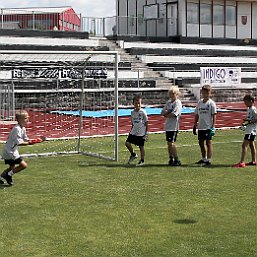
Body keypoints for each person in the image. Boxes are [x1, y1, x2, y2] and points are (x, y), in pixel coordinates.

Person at [0, 110, 43, 185]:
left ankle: (0, 178)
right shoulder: (17, 129)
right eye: (26, 118)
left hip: (10, 150)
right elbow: (19, 143)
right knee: (23, 165)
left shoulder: (23, 128)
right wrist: (31, 142)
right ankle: (8, 175)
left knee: (12, 167)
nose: (28, 120)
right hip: (10, 151)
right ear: (19, 120)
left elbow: (26, 139)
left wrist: (35, 140)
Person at [193, 85, 217, 166]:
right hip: (201, 127)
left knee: (208, 143)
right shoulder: (199, 103)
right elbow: (197, 114)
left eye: (206, 92)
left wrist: (213, 127)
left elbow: (214, 115)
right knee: (201, 143)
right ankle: (204, 158)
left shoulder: (211, 103)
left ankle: (209, 160)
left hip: (208, 127)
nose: (204, 94)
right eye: (203, 92)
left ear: (209, 93)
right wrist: (195, 124)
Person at [232, 94, 257, 168]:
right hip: (250, 129)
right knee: (251, 145)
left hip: (251, 130)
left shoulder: (253, 109)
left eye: (246, 102)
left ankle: (242, 162)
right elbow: (250, 118)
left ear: (251, 101)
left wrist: (249, 122)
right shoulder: (249, 109)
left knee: (244, 145)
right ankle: (253, 161)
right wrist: (246, 120)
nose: (245, 104)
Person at [161, 86, 182, 166]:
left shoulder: (178, 103)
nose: (172, 95)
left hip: (174, 126)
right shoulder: (168, 103)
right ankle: (171, 158)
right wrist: (166, 113)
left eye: (173, 93)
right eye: (170, 93)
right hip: (168, 126)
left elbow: (174, 114)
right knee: (169, 143)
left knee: (171, 143)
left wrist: (166, 114)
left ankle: (177, 159)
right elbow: (162, 112)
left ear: (177, 94)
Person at [125, 95, 148, 166]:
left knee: (141, 146)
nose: (137, 105)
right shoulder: (132, 112)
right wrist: (131, 130)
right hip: (134, 131)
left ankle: (142, 160)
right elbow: (133, 123)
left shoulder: (143, 112)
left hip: (141, 133)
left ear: (141, 103)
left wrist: (146, 134)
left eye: (139, 103)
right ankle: (133, 154)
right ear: (133, 104)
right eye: (136, 103)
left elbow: (147, 123)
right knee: (127, 143)